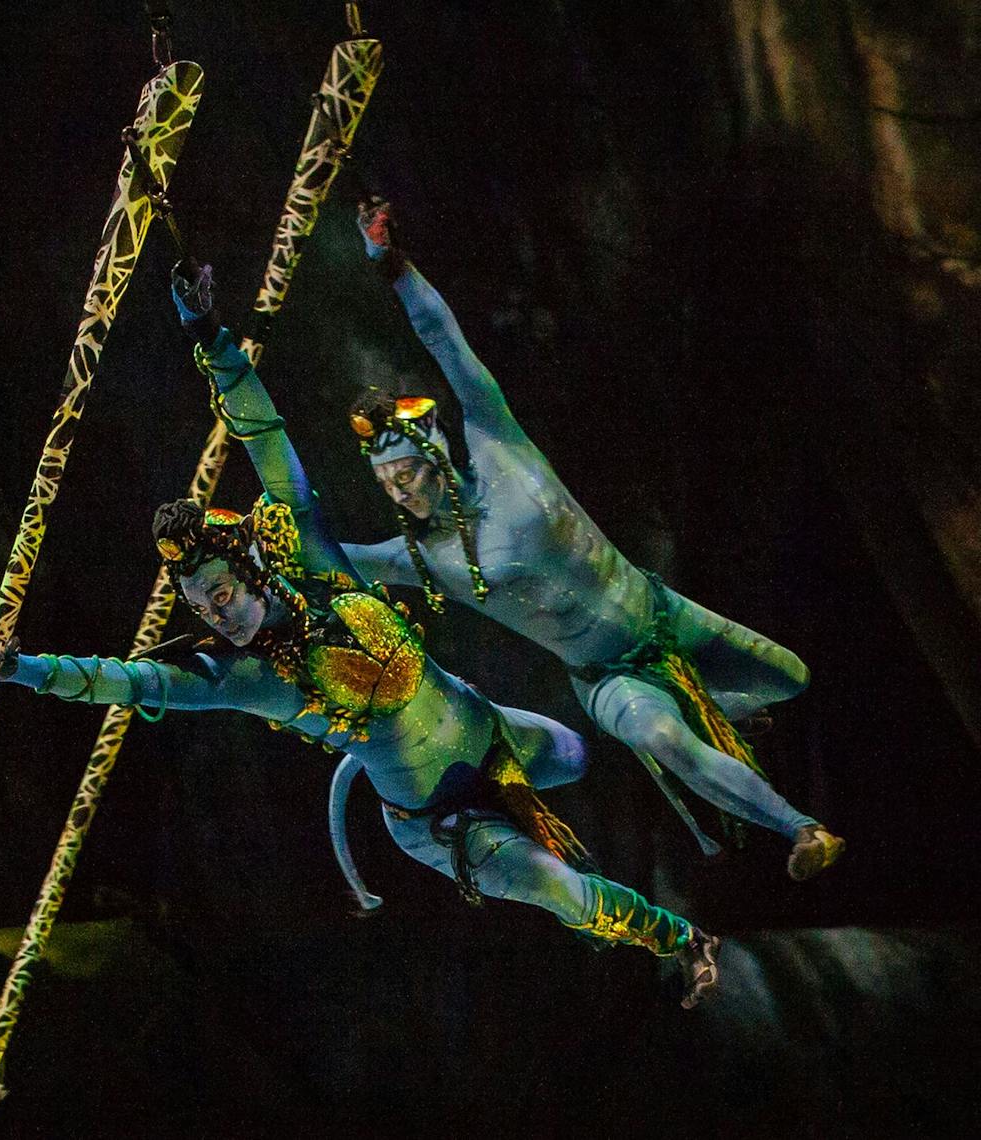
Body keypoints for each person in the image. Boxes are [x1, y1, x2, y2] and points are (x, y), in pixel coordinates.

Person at [0, 264, 723, 1008]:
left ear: (255, 571)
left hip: (493, 739)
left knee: (579, 753)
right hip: (437, 822)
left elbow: (264, 436)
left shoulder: (319, 566)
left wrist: (211, 337)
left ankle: (701, 734)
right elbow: (128, 681)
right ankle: (679, 938)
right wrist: (20, 668)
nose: (216, 614)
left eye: (221, 592)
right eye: (201, 607)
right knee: (558, 887)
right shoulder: (245, 678)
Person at [337, 198, 843, 881]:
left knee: (791, 678)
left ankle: (721, 706)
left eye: (404, 474)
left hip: (660, 615)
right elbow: (329, 555)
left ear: (436, 455)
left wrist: (392, 265)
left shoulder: (497, 444)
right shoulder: (426, 558)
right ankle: (801, 831)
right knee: (663, 737)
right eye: (386, 486)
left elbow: (446, 343)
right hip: (606, 678)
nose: (398, 494)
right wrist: (257, 533)